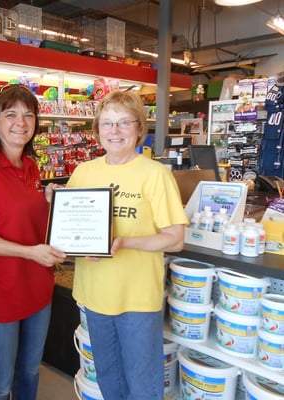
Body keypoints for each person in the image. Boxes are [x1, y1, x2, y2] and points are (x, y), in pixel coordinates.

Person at [66, 90, 188, 400]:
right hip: (94, 294)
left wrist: (124, 242)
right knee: (108, 377)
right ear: (97, 131)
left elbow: (175, 239)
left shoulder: (155, 174)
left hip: (135, 298)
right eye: (107, 123)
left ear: (139, 129)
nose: (114, 131)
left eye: (123, 123)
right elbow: (70, 229)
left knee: (142, 382)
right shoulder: (83, 173)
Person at [0, 84, 66, 400]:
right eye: (10, 114)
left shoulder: (32, 166)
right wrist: (29, 253)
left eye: (28, 115)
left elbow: (28, 221)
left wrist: (54, 204)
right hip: (0, 293)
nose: (20, 122)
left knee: (30, 371)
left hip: (38, 289)